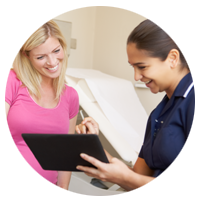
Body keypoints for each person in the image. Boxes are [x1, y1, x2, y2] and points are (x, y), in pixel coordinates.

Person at [75, 17, 193, 196]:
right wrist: (94, 145)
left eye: (142, 66)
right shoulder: (159, 113)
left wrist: (129, 179)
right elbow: (137, 183)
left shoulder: (193, 101)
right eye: (133, 67)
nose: (136, 76)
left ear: (172, 58)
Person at [5, 13, 79, 196]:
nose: (53, 62)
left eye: (56, 51)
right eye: (41, 57)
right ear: (26, 55)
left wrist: (63, 189)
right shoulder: (11, 81)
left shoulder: (70, 96)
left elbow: (66, 149)